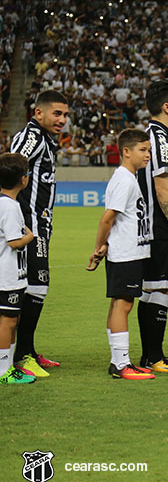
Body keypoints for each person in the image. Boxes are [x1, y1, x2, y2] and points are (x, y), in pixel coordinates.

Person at [87, 129, 155, 380]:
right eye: (143, 150)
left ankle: (118, 361)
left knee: (120, 302)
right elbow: (108, 218)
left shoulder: (128, 178)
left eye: (148, 150)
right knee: (123, 304)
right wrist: (99, 246)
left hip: (130, 250)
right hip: (126, 252)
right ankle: (121, 363)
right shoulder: (124, 180)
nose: (148, 155)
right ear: (126, 151)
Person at [10, 90, 69, 375]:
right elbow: (8, 169)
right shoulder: (31, 137)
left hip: (39, 225)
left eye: (65, 115)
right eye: (56, 113)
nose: (62, 120)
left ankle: (27, 349)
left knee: (34, 287)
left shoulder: (44, 139)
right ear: (39, 113)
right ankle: (21, 355)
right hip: (29, 226)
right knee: (36, 286)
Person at [136, 80, 168, 373]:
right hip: (160, 225)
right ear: (167, 107)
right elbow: (162, 186)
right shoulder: (161, 139)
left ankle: (150, 355)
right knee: (163, 288)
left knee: (151, 289)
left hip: (148, 225)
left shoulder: (150, 136)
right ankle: (153, 357)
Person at [0, 154, 35, 384]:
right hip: (7, 276)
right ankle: (4, 370)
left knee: (12, 319)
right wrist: (29, 237)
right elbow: (14, 241)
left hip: (11, 275)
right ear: (23, 179)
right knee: (8, 321)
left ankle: (8, 365)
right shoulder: (10, 207)